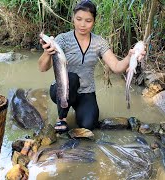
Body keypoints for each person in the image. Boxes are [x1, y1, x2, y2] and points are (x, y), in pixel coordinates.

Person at [38, 0, 146, 133]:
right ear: (73, 18)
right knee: (72, 78)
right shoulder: (62, 39)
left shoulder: (99, 42)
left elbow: (117, 67)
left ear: (94, 21)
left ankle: (79, 109)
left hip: (86, 91)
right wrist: (47, 52)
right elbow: (43, 68)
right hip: (61, 89)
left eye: (88, 21)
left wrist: (130, 56)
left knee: (88, 125)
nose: (82, 24)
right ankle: (62, 117)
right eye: (79, 19)